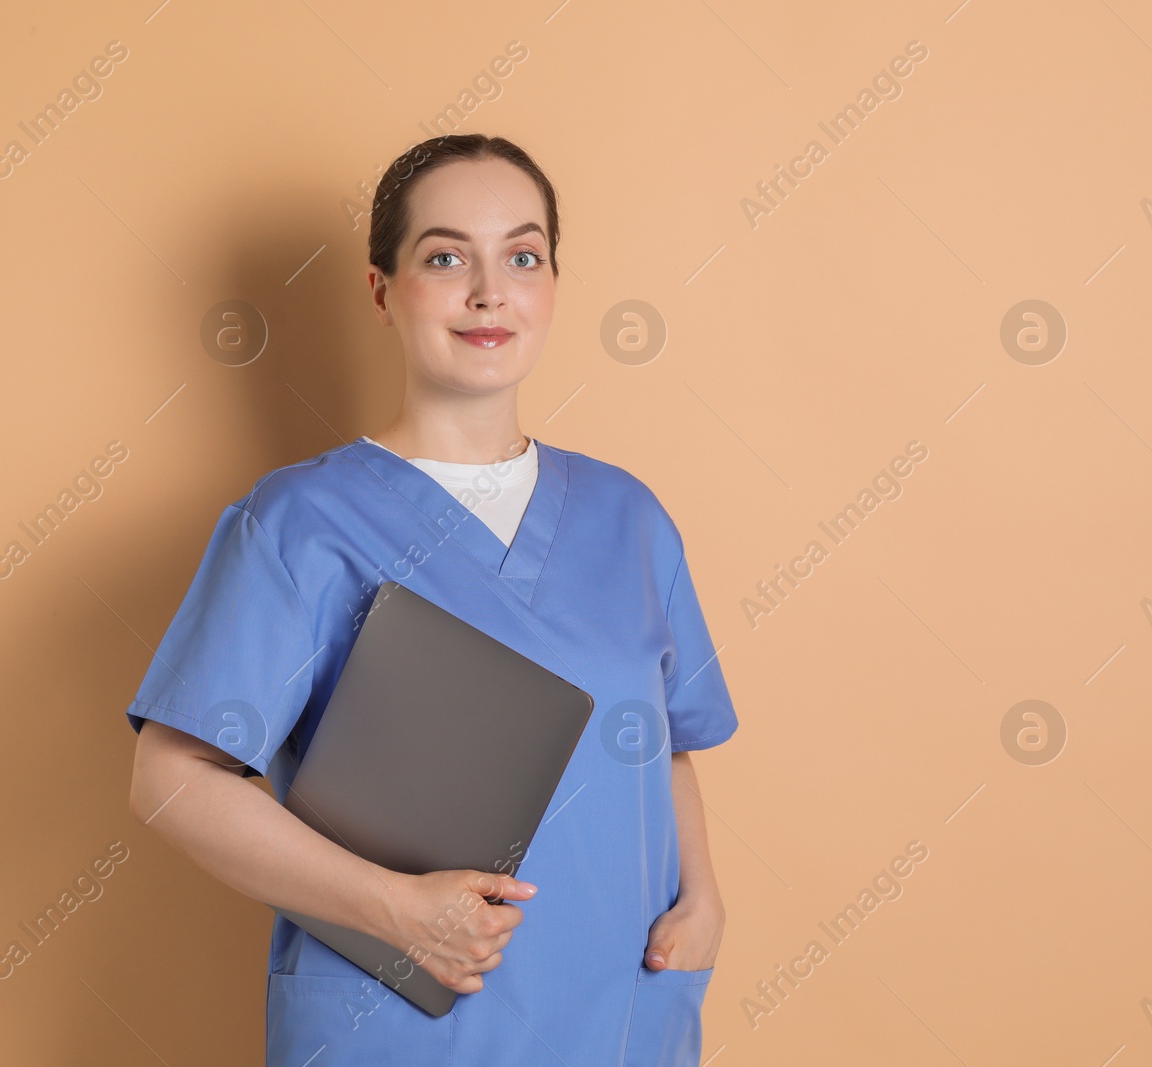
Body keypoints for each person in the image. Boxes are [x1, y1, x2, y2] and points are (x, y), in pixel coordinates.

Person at [126, 132, 739, 1065]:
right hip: (400, 1026)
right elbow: (172, 781)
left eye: (522, 257)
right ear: (382, 290)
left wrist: (704, 901)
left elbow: (666, 742)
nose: (489, 292)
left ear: (552, 286)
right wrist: (397, 912)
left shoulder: (629, 517)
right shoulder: (300, 521)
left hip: (619, 1012)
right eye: (446, 257)